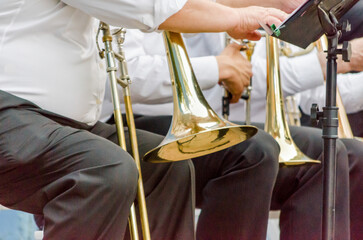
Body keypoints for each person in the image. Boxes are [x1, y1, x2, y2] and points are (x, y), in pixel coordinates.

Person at [0, 0, 288, 239]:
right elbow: (147, 8)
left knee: (164, 168)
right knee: (105, 169)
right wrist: (236, 17)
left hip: (60, 124)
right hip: (10, 115)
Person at [100, 30, 350, 240]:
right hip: (135, 118)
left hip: (208, 115)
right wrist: (218, 66)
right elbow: (124, 75)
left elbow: (245, 76)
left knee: (333, 153)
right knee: (253, 150)